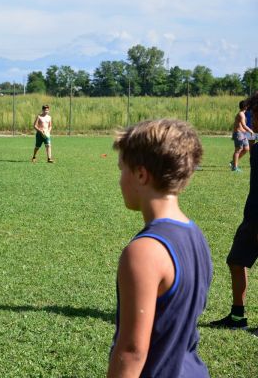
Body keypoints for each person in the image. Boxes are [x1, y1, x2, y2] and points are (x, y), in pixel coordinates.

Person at [108, 119, 212, 377]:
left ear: (141, 174)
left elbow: (132, 352)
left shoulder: (144, 251)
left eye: (122, 169)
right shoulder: (195, 234)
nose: (120, 180)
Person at [210, 92, 258, 334]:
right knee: (236, 261)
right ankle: (237, 317)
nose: (252, 118)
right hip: (252, 215)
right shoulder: (257, 144)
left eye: (255, 114)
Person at [230, 100, 254, 172]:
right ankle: (235, 167)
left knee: (246, 148)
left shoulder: (243, 114)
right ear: (246, 107)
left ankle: (233, 162)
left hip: (243, 134)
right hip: (238, 134)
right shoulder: (241, 114)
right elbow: (243, 125)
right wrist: (250, 131)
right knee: (238, 150)